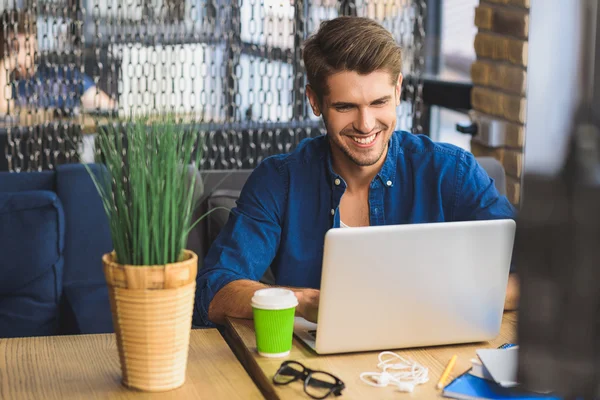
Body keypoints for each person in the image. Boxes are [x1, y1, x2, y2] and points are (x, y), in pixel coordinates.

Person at [194, 16, 519, 327]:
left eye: (379, 102)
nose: (365, 125)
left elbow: (534, 276)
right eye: (345, 107)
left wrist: (444, 301)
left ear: (398, 91)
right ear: (315, 101)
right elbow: (215, 291)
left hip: (427, 364)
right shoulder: (279, 181)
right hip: (316, 371)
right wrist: (305, 302)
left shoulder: (452, 172)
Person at [0, 9, 114, 115]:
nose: (20, 55)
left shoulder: (60, 76)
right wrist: (4, 68)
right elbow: (4, 114)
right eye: (13, 48)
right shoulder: (7, 84)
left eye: (26, 46)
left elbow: (107, 108)